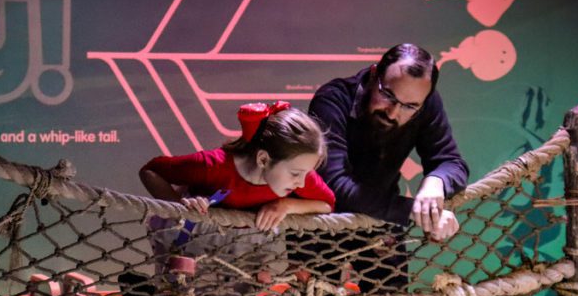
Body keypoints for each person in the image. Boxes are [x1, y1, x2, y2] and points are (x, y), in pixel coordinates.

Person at [309, 43, 469, 241]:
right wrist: (412, 210)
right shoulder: (333, 99)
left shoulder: (426, 104)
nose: (393, 113)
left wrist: (436, 182)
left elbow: (452, 163)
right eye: (387, 95)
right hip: (319, 222)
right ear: (374, 74)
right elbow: (334, 183)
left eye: (410, 106)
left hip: (382, 225)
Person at [139, 101, 334, 229]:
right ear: (263, 160)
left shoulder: (300, 175)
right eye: (295, 174)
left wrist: (285, 205)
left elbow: (327, 204)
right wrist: (179, 207)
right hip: (192, 241)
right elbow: (150, 170)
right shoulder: (213, 166)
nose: (301, 183)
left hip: (241, 253)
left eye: (306, 174)